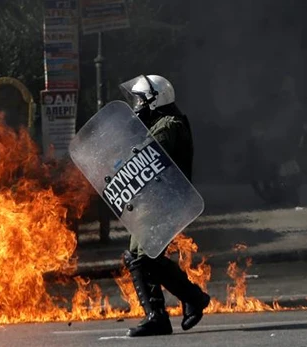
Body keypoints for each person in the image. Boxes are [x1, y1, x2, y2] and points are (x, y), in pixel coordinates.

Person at [118, 75, 211, 337]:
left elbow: (149, 155)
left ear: (154, 99)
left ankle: (189, 299)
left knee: (144, 257)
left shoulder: (168, 124)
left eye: (140, 99)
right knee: (137, 257)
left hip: (167, 202)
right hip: (154, 202)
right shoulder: (161, 122)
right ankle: (160, 315)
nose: (137, 104)